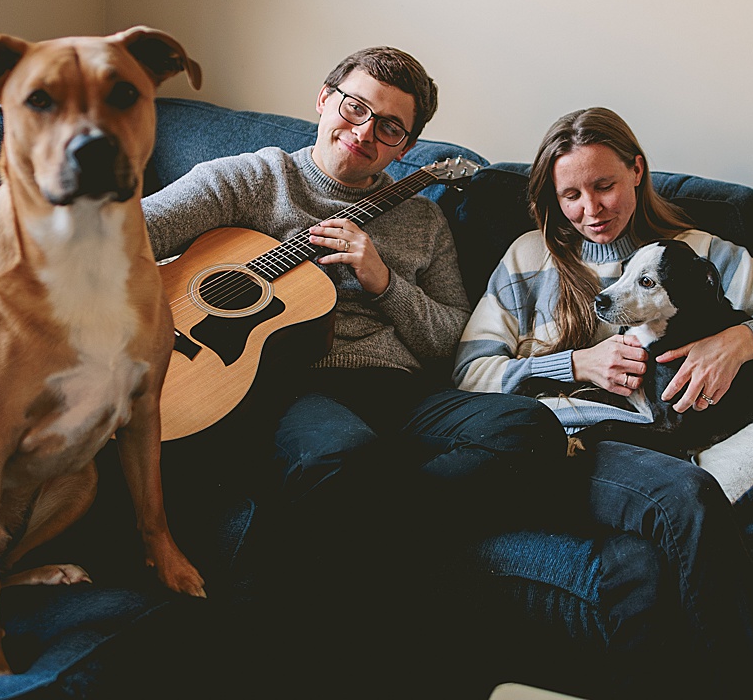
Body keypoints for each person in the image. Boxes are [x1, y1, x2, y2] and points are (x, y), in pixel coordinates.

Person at [141, 47, 566, 693]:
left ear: (407, 149)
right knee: (337, 457)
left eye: (389, 127)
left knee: (531, 430)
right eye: (355, 107)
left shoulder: (424, 219)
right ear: (324, 99)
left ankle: (352, 523)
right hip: (293, 383)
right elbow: (129, 235)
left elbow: (454, 339)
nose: (364, 132)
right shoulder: (252, 179)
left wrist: (385, 280)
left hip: (401, 386)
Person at [454, 106, 753, 676]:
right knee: (675, 511)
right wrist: (576, 364)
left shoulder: (695, 254)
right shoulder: (528, 258)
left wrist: (742, 340)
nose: (590, 211)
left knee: (641, 565)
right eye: (570, 195)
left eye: (604, 186)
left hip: (639, 454)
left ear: (637, 171)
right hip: (551, 444)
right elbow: (469, 374)